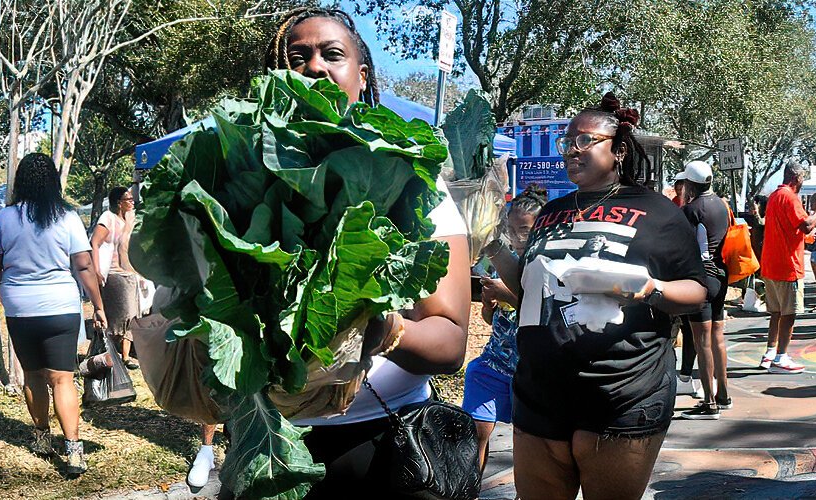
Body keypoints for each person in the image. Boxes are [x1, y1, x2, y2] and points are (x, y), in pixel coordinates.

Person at [265, 9, 473, 497]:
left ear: (361, 75)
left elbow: (450, 345)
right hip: (269, 443)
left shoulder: (412, 182)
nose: (315, 67)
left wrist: (377, 329)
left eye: (332, 54)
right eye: (298, 57)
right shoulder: (240, 176)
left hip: (385, 442)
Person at [483, 92, 705, 499]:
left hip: (621, 393)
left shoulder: (658, 212)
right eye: (567, 142)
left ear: (618, 150)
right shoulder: (551, 212)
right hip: (539, 393)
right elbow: (533, 288)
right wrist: (492, 248)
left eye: (584, 141)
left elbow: (697, 291)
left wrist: (647, 288)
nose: (571, 150)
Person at [0, 152, 108, 475]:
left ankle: (41, 438)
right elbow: (84, 265)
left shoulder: (4, 219)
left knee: (34, 376)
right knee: (63, 378)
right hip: (61, 308)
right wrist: (99, 306)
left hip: (20, 309)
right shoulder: (67, 217)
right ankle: (75, 450)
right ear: (53, 182)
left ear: (20, 182)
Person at [463, 187, 544, 472]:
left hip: (530, 372)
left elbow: (544, 314)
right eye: (511, 229)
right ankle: (471, 487)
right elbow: (493, 321)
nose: (517, 236)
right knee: (474, 436)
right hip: (493, 365)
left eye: (525, 228)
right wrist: (488, 305)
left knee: (528, 444)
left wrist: (508, 295)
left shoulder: (545, 265)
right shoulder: (501, 265)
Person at [673, 161, 732, 419]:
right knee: (717, 336)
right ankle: (724, 395)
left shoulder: (690, 210)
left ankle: (709, 404)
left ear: (689, 184)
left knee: (701, 340)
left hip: (701, 277)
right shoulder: (721, 204)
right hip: (721, 274)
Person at [759, 161, 816, 374]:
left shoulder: (775, 197)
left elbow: (793, 229)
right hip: (787, 265)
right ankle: (781, 357)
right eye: (803, 178)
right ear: (797, 178)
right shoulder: (789, 197)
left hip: (771, 263)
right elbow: (806, 225)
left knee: (776, 312)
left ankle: (770, 353)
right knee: (789, 313)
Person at [89, 186, 140, 370]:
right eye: (129, 199)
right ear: (119, 202)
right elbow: (94, 243)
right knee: (121, 314)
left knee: (133, 315)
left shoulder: (128, 219)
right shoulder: (108, 218)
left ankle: (125, 356)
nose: (132, 202)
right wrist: (96, 270)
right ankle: (109, 352)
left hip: (129, 274)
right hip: (113, 274)